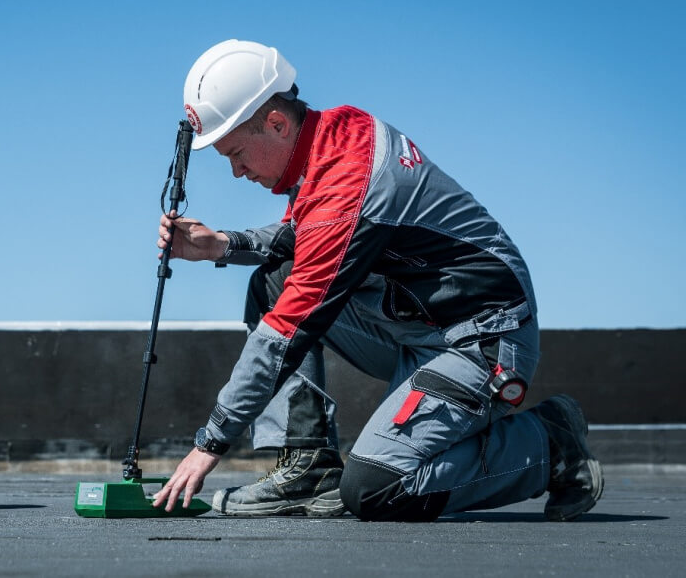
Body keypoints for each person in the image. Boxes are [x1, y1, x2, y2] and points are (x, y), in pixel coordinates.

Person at [150, 39, 603, 521]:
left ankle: (549, 443)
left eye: (237, 153)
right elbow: (307, 236)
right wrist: (221, 244)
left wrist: (210, 442)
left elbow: (288, 327)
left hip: (482, 341)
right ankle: (306, 468)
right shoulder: (337, 133)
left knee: (376, 488)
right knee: (275, 281)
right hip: (419, 324)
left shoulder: (350, 181)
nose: (237, 171)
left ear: (277, 123)